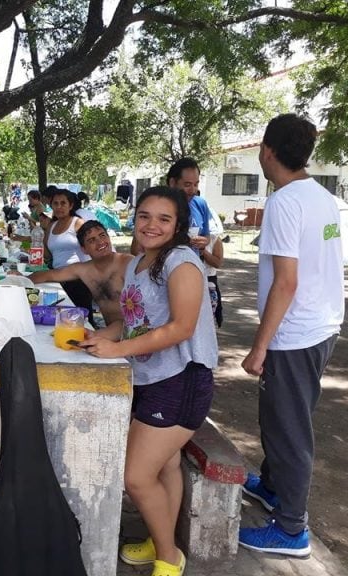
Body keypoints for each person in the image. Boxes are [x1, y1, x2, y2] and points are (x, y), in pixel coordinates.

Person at [80, 186, 218, 576]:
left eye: (163, 218)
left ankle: (170, 559)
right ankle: (163, 540)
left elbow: (182, 327)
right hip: (154, 377)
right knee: (165, 466)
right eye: (144, 216)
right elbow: (134, 321)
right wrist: (100, 338)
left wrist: (118, 351)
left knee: (136, 478)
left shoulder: (181, 260)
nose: (151, 225)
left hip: (182, 378)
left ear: (177, 226)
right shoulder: (140, 263)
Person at [238, 114, 344, 557]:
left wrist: (260, 346)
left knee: (288, 430)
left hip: (295, 334)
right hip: (322, 326)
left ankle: (291, 529)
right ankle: (275, 488)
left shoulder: (284, 202)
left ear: (267, 151)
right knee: (283, 421)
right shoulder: (322, 197)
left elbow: (286, 282)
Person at [26, 220, 132, 327]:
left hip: (134, 334)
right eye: (91, 240)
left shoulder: (128, 263)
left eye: (102, 235)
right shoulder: (84, 269)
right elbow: (48, 275)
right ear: (84, 249)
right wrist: (20, 281)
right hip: (112, 332)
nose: (100, 242)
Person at [44, 188, 94, 320]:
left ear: (70, 205)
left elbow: (91, 247)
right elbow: (48, 254)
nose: (59, 207)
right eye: (55, 203)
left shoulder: (77, 223)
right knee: (60, 318)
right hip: (58, 278)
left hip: (78, 280)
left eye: (63, 203)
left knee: (81, 319)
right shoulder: (51, 226)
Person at [165, 158, 212, 252]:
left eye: (196, 184)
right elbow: (137, 248)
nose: (193, 190)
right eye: (187, 185)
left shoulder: (200, 204)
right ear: (173, 183)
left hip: (193, 263)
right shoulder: (157, 206)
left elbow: (207, 235)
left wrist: (205, 241)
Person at [201, 234, 224, 327]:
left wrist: (203, 251)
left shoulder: (215, 239)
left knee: (208, 317)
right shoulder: (183, 237)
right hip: (188, 280)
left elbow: (217, 263)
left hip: (209, 280)